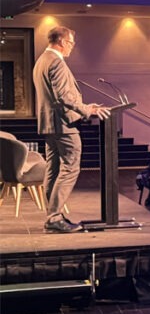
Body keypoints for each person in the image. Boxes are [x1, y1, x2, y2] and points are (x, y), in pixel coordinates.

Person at [32, 26, 111, 232]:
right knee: (70, 168)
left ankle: (52, 216)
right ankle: (54, 217)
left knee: (54, 169)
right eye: (71, 43)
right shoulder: (56, 62)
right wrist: (87, 110)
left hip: (49, 125)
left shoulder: (41, 61)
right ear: (61, 41)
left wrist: (87, 107)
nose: (72, 47)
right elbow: (64, 96)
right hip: (64, 125)